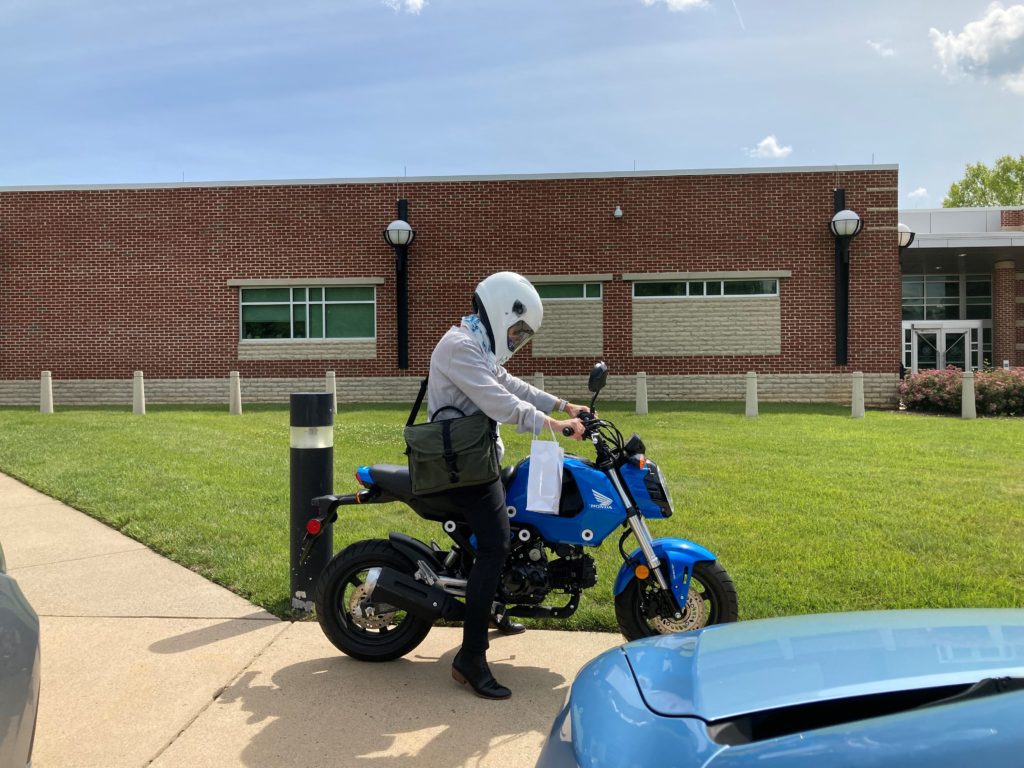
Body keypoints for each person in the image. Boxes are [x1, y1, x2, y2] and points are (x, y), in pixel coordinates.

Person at [428, 271, 588, 700]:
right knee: (497, 544)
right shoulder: (458, 347)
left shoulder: (475, 344)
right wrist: (554, 424)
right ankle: (470, 658)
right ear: (502, 312)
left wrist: (562, 403)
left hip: (479, 460)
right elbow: (500, 402)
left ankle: (497, 605)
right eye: (516, 330)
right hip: (463, 468)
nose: (516, 339)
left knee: (517, 528)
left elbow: (509, 383)